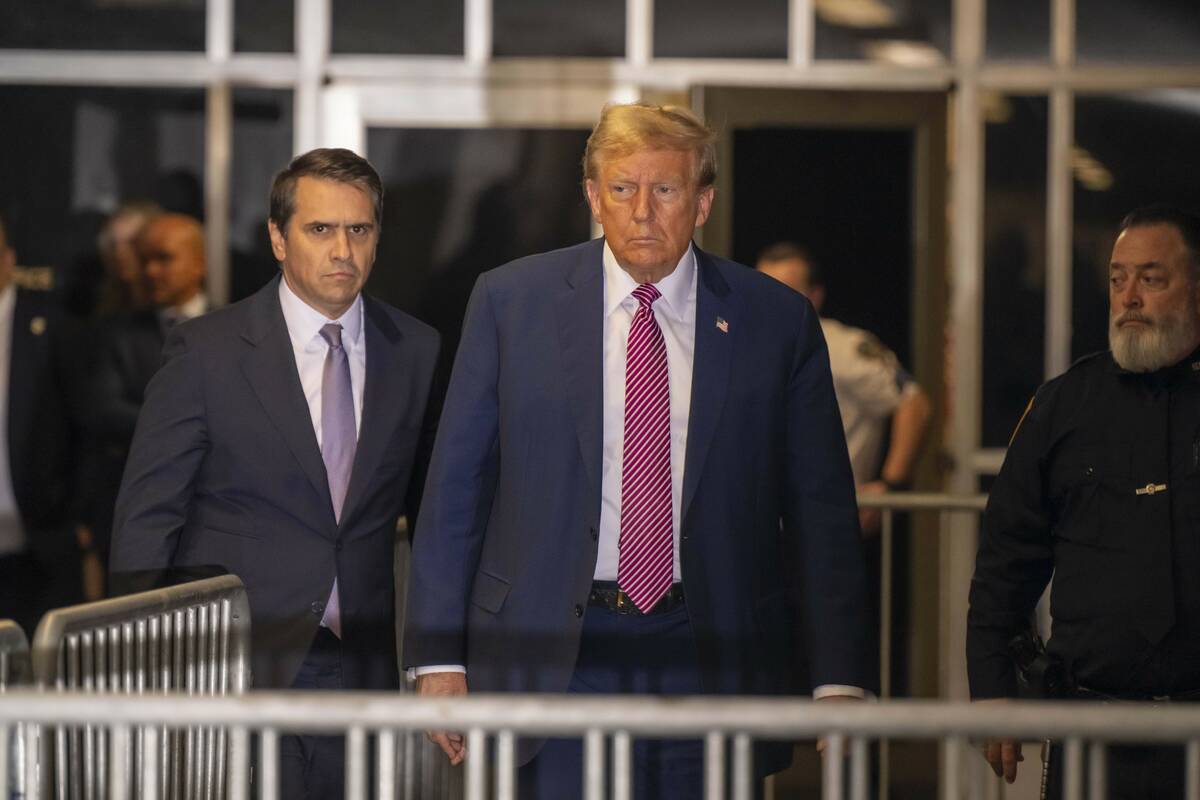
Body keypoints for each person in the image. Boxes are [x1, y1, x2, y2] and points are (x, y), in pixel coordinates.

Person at [404, 102, 870, 798]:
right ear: (594, 197)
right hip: (552, 648)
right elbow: (456, 489)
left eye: (667, 189)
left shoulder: (774, 321)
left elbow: (820, 509)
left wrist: (839, 675)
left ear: (703, 201)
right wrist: (437, 654)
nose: (642, 211)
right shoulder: (511, 303)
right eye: (622, 189)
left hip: (714, 650)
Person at [109, 148, 440, 799]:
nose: (342, 248)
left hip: (365, 663)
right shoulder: (206, 350)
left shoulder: (417, 350)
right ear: (277, 239)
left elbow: (436, 514)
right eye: (320, 229)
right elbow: (148, 516)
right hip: (238, 662)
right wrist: (141, 664)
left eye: (359, 229)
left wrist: (440, 653)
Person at [968, 204, 1200, 798]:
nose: (1129, 298)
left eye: (1152, 279)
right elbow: (1004, 559)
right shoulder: (1063, 406)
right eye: (1118, 278)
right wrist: (993, 686)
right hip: (1092, 725)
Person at [756, 243, 931, 533]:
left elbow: (915, 404)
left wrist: (891, 486)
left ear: (815, 296)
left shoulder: (841, 348)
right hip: (760, 524)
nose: (772, 303)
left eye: (785, 292)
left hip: (824, 521)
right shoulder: (745, 348)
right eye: (763, 291)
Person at [84, 213, 209, 581]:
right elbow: (104, 410)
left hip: (216, 524)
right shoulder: (114, 333)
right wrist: (199, 427)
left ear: (199, 262)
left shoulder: (240, 329)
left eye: (164, 259)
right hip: (139, 522)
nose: (151, 271)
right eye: (145, 261)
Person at [0, 212, 79, 634]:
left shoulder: (52, 328)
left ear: (10, 259)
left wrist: (78, 517)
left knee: (39, 678)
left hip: (41, 541)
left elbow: (80, 427)